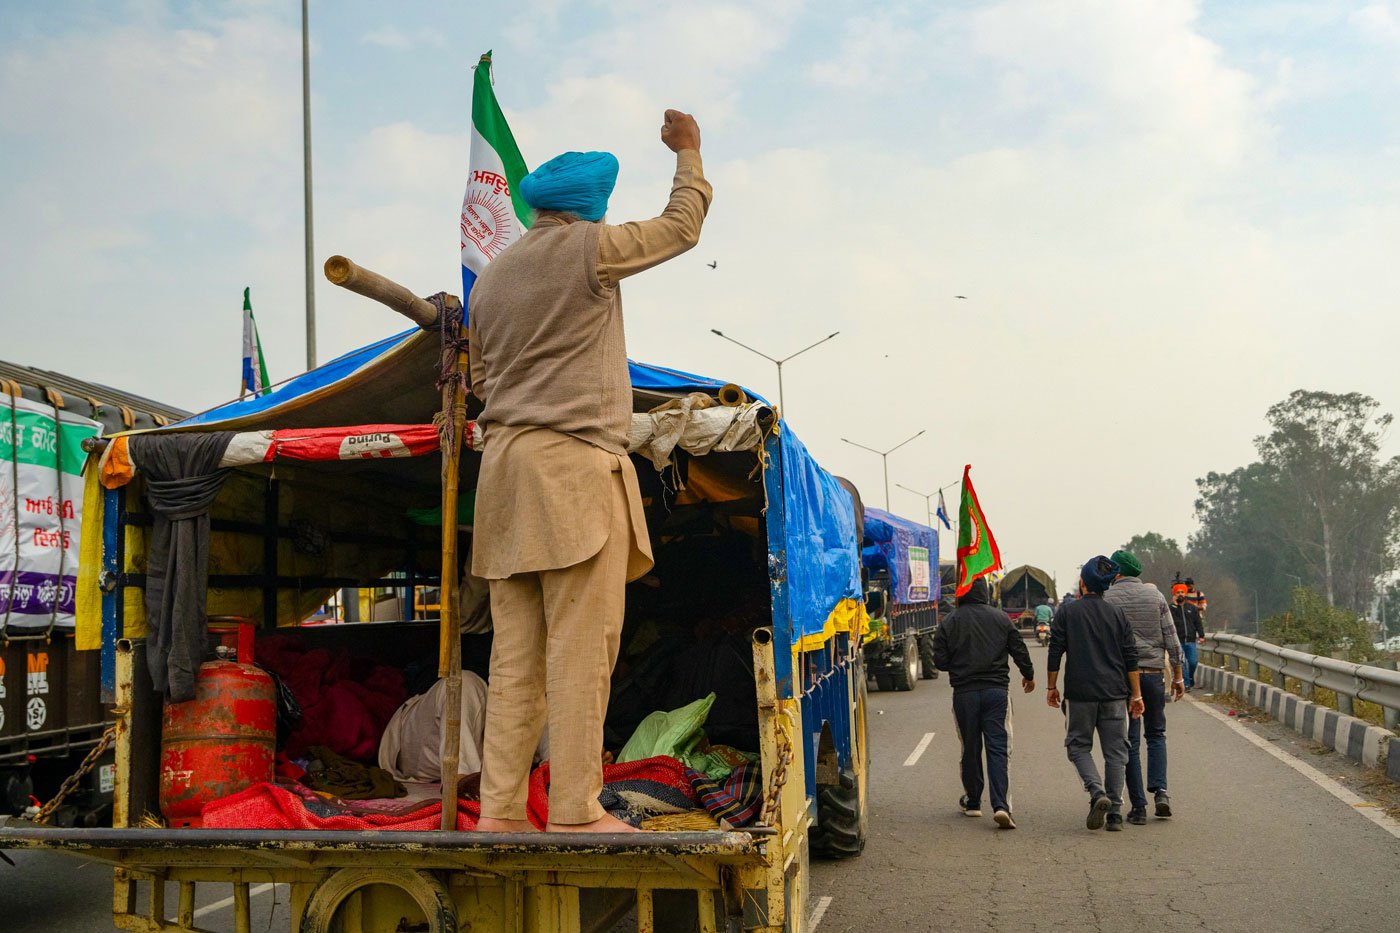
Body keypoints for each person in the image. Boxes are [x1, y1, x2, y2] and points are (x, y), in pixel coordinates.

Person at [469, 110, 712, 833]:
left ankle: (500, 812)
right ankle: (575, 806)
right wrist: (689, 154)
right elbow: (679, 228)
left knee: (515, 663)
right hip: (572, 475)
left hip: (505, 483)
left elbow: (482, 381)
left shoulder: (491, 279)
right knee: (580, 654)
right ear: (586, 210)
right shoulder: (587, 250)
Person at [1046, 556, 1144, 832]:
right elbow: (1130, 656)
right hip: (1115, 693)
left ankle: (1096, 791)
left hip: (1080, 694)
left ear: (1082, 583)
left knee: (1078, 747)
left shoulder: (1067, 612)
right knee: (1116, 753)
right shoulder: (1117, 614)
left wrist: (1051, 687)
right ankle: (1114, 812)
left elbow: (1055, 652)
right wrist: (1136, 696)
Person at [932, 576, 1036, 829]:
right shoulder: (1001, 618)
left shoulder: (949, 622)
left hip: (964, 694)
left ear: (961, 594)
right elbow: (1019, 649)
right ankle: (1001, 806)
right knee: (998, 748)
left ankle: (973, 803)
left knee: (970, 747)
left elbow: (940, 662)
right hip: (996, 693)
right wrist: (1028, 674)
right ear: (986, 593)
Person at [1104, 549, 1184, 825]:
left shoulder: (1108, 598)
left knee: (1131, 742)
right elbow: (1171, 638)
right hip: (1153, 675)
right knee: (1157, 734)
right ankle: (1161, 792)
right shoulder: (1156, 595)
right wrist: (1178, 676)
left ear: (1117, 572)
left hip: (1123, 678)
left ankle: (1138, 807)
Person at [1171, 587, 1205, 690]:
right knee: (1180, 663)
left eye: (1182, 592)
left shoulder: (1192, 608)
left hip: (1190, 640)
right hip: (1177, 640)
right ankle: (1186, 683)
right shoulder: (1171, 609)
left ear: (1185, 594)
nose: (1180, 594)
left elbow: (1198, 623)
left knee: (1193, 662)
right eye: (1178, 592)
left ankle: (1189, 679)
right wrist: (1175, 606)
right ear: (1174, 594)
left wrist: (1201, 635)